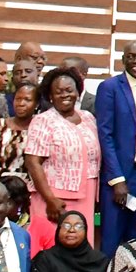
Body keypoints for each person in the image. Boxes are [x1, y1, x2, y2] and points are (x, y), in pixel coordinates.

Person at [22, 68, 100, 255]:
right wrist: (50, 200)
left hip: (86, 197)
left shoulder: (88, 118)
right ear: (50, 96)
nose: (65, 95)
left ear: (78, 92)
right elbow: (33, 162)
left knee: (81, 249)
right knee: (52, 250)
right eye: (58, 92)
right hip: (54, 200)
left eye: (69, 90)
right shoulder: (43, 121)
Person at [95, 43, 136, 253]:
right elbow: (105, 135)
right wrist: (117, 179)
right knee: (112, 240)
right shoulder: (110, 88)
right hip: (121, 176)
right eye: (130, 57)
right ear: (123, 60)